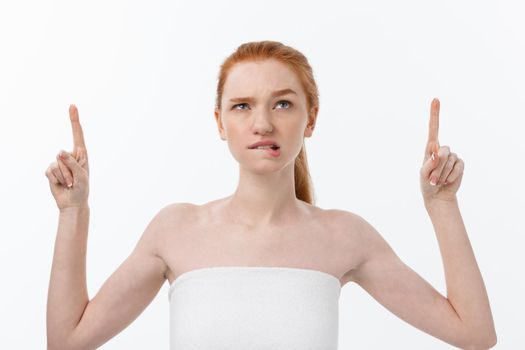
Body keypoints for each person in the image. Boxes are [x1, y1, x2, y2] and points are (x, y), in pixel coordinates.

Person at [46, 40, 497, 349]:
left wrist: (442, 205)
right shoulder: (176, 230)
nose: (262, 123)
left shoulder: (345, 236)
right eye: (242, 106)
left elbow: (475, 333)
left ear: (311, 119)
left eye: (282, 103)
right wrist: (73, 212)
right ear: (220, 123)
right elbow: (67, 340)